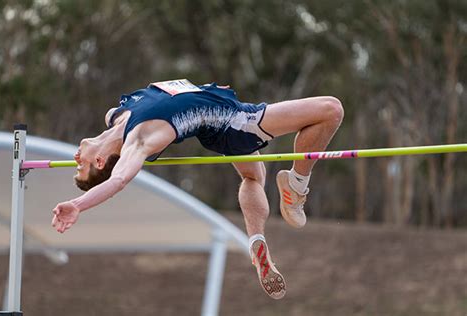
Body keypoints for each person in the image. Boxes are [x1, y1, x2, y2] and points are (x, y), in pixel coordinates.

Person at [51, 79, 343, 299]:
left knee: (253, 178)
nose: (76, 158)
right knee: (331, 110)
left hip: (216, 118)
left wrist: (204, 92)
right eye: (82, 166)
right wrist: (78, 204)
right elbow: (118, 180)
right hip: (236, 122)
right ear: (101, 161)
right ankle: (296, 185)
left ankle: (256, 240)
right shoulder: (139, 141)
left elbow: (170, 95)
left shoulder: (116, 116)